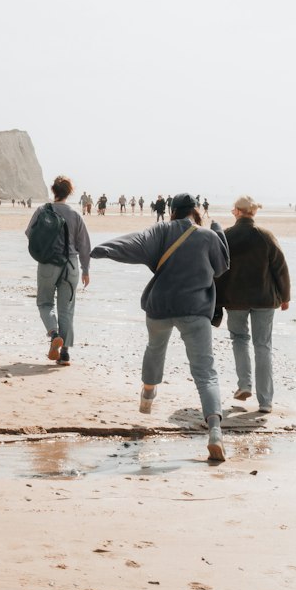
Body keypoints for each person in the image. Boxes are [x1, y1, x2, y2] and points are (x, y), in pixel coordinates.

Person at [89, 191, 230, 462]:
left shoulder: (162, 230)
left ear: (173, 211)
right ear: (194, 211)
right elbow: (222, 267)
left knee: (155, 348)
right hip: (196, 310)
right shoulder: (207, 236)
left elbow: (134, 243)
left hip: (160, 306)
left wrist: (101, 249)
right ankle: (214, 432)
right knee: (205, 372)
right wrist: (218, 231)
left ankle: (149, 393)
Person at [215, 195, 291, 414]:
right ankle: (266, 402)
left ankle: (244, 384)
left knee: (239, 339)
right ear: (253, 212)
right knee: (263, 346)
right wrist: (285, 296)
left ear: (237, 211)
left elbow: (218, 270)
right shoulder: (265, 235)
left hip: (235, 300)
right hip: (265, 299)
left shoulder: (227, 236)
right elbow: (280, 267)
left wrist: (216, 301)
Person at [26, 176, 91, 367]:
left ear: (53, 190)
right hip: (70, 266)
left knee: (45, 302)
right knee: (67, 309)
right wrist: (86, 270)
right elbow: (84, 245)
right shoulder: (76, 214)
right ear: (69, 192)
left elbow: (29, 233)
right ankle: (65, 354)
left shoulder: (42, 210)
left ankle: (54, 334)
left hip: (48, 263)